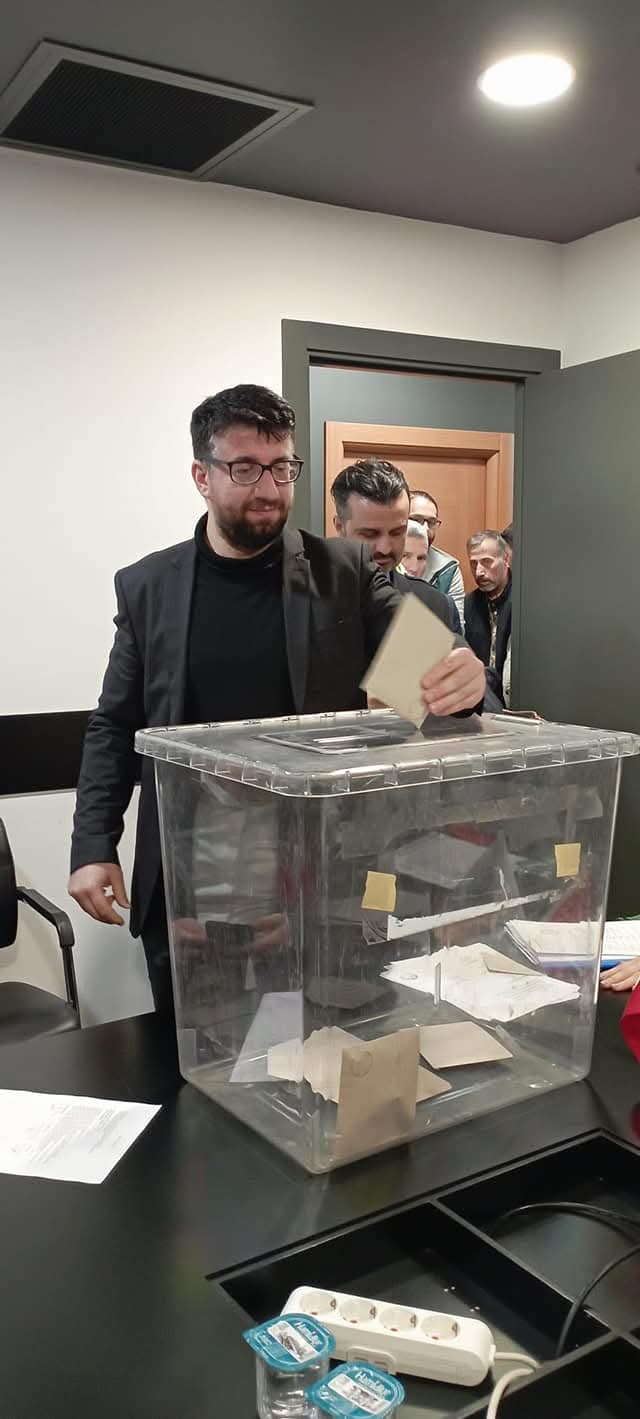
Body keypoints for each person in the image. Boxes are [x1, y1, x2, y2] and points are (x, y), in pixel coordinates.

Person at [69, 386, 485, 1010]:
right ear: (202, 476)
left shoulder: (342, 571)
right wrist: (93, 844)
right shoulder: (150, 586)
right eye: (244, 468)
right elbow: (115, 725)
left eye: (282, 467)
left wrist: (460, 673)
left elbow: (430, 656)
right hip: (191, 875)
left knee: (321, 1045)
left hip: (313, 878)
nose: (268, 488)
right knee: (191, 1047)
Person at [330, 460, 462, 633]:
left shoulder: (436, 607)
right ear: (340, 527)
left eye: (397, 532)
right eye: (370, 534)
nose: (385, 548)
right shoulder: (307, 604)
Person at [464, 530, 512, 706]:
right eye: (473, 564)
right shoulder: (469, 603)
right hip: (481, 701)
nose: (479, 572)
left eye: (486, 562)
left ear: (506, 559)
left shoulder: (522, 602)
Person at [409, 490, 466, 629]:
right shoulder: (385, 559)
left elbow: (456, 629)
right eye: (416, 520)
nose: (425, 528)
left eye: (431, 522)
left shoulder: (448, 570)